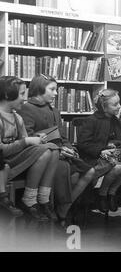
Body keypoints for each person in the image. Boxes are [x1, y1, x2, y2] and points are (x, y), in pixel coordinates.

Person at [18, 75, 96, 227]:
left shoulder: (55, 110)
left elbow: (63, 136)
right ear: (40, 90)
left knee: (90, 172)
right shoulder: (26, 108)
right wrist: (57, 148)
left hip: (60, 152)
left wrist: (68, 147)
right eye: (52, 89)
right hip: (42, 155)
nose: (55, 93)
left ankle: (63, 209)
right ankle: (54, 209)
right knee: (71, 175)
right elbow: (26, 137)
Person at [0, 76, 60, 221]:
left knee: (53, 149)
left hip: (16, 158)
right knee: (46, 150)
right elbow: (1, 150)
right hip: (5, 163)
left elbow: (25, 143)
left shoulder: (17, 118)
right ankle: (29, 199)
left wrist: (37, 140)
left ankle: (43, 199)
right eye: (21, 94)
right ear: (8, 95)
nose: (24, 98)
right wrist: (27, 141)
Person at [77, 89, 121, 213]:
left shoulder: (115, 120)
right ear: (104, 107)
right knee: (118, 168)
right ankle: (102, 195)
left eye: (119, 103)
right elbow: (83, 144)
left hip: (113, 155)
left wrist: (118, 147)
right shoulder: (92, 121)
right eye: (115, 104)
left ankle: (111, 193)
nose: (120, 106)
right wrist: (101, 150)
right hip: (96, 156)